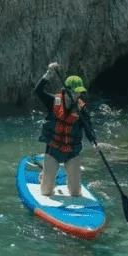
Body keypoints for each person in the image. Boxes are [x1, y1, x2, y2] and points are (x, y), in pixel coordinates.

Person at [34, 64, 94, 199]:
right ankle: (44, 175)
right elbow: (38, 91)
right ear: (66, 92)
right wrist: (48, 74)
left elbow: (88, 128)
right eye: (75, 91)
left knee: (75, 193)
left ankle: (73, 179)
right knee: (46, 192)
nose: (78, 94)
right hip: (53, 149)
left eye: (79, 91)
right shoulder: (52, 102)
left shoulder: (80, 108)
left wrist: (94, 143)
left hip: (72, 151)